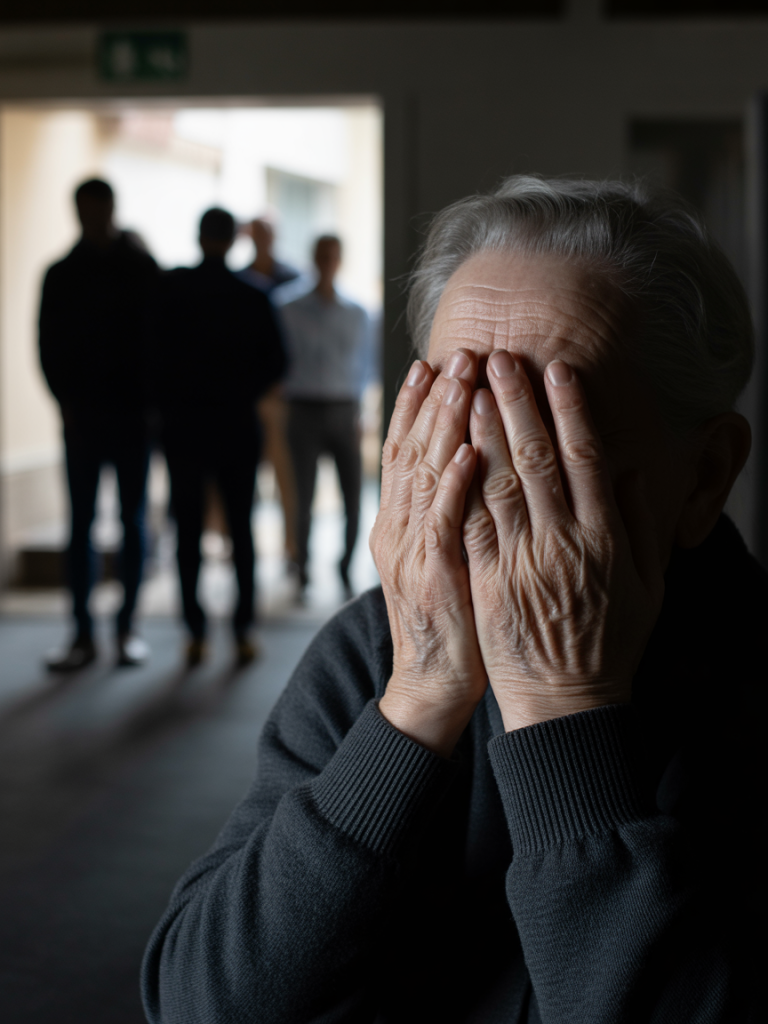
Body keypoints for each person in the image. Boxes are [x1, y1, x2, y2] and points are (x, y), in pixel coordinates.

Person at [142, 177, 765, 1022]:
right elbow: (199, 1005)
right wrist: (417, 699)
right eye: (452, 413)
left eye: (542, 429)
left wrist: (563, 710)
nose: (484, 474)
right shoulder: (373, 648)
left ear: (704, 476)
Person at [150, 207, 287, 666]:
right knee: (241, 529)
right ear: (233, 241)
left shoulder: (171, 290)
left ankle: (195, 631)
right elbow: (277, 363)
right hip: (234, 426)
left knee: (187, 529)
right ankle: (243, 629)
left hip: (184, 427)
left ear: (198, 236)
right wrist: (240, 391)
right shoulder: (252, 295)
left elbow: (150, 357)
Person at [39, 178, 158, 671]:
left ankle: (127, 628)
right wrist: (64, 400)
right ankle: (82, 633)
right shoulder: (62, 274)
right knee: (81, 524)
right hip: (83, 417)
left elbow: (158, 340)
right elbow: (45, 343)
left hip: (131, 416)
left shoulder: (138, 267)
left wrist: (153, 404)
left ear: (111, 209)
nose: (93, 219)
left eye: (99, 210)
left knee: (131, 522)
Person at [280, 234, 371, 598]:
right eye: (322, 256)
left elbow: (364, 365)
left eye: (333, 256)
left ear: (340, 260)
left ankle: (346, 565)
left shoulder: (357, 313)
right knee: (303, 494)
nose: (327, 262)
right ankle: (301, 566)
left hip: (343, 407)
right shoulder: (288, 307)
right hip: (302, 407)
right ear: (313, 258)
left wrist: (362, 409)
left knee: (353, 494)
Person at [236, 217, 302, 567]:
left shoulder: (293, 279)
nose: (262, 239)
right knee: (247, 476)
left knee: (285, 476)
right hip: (250, 396)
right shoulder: (241, 278)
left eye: (267, 234)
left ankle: (291, 548)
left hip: (282, 394)